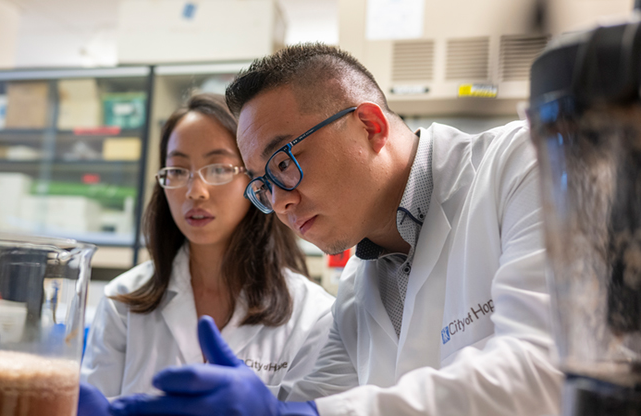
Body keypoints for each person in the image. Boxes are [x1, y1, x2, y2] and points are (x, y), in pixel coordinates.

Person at [78, 45, 563, 416]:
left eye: (285, 162)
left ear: (370, 125)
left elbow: (546, 369)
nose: (281, 201)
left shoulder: (523, 165)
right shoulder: (357, 287)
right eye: (264, 186)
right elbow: (306, 401)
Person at [81, 93, 335, 400]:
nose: (195, 192)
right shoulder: (122, 302)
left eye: (218, 169)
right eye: (177, 170)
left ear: (256, 180)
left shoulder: (311, 315)